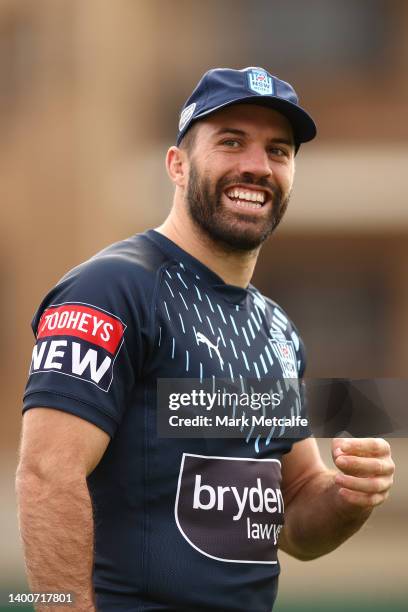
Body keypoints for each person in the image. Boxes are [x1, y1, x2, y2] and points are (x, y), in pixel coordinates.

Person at [16, 67, 395, 612]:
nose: (256, 166)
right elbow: (47, 474)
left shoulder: (277, 330)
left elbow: (296, 519)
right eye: (231, 142)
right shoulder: (112, 289)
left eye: (278, 151)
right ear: (177, 164)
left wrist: (349, 496)